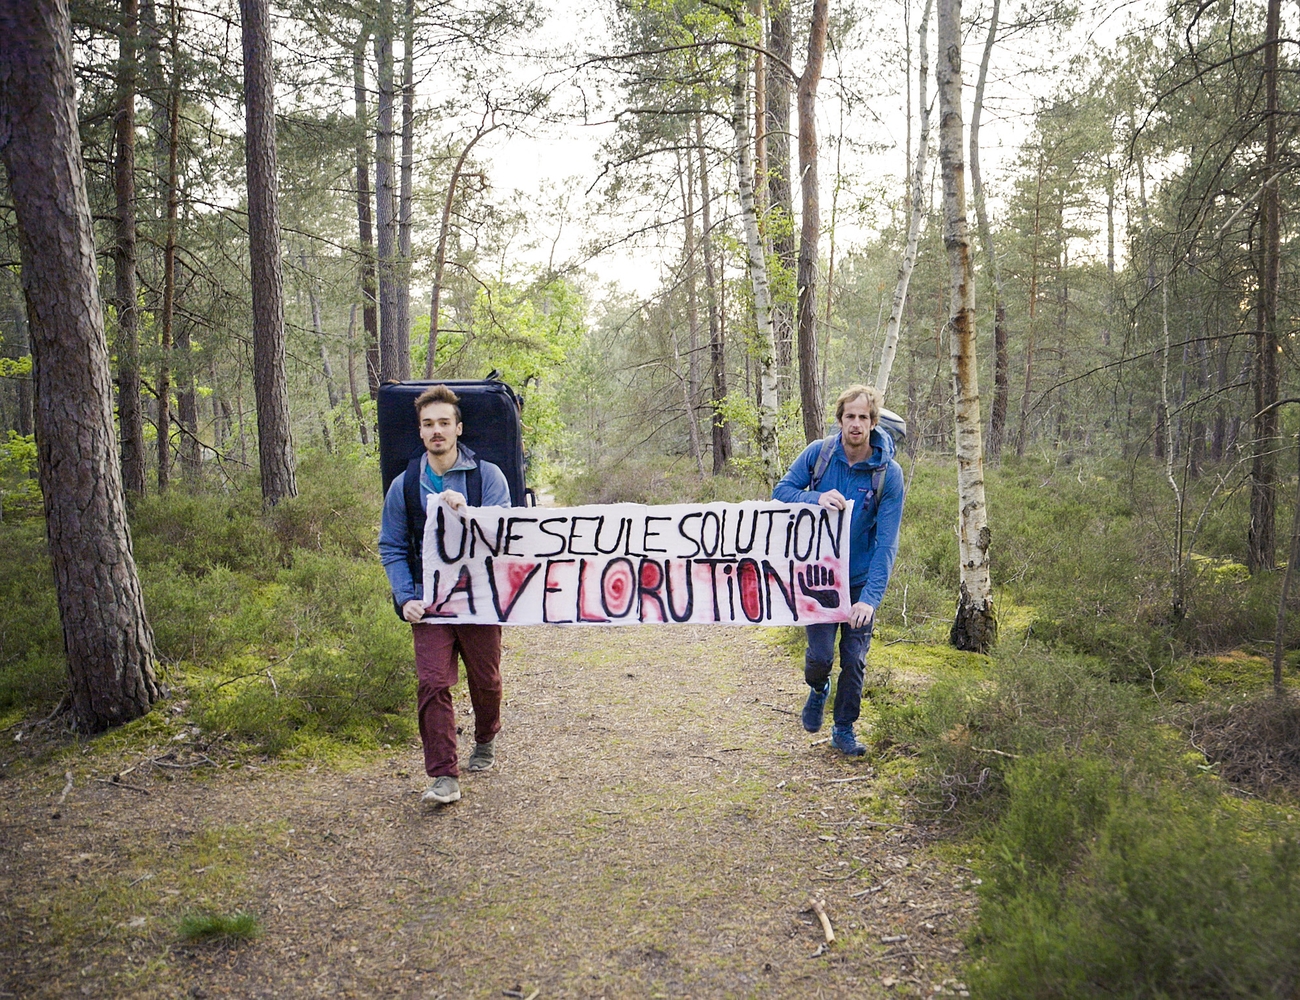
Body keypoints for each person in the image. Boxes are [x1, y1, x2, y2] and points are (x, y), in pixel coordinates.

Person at [379, 384, 512, 805]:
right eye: (428, 424)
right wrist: (405, 598)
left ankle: (486, 737)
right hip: (430, 602)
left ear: (458, 428)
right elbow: (391, 546)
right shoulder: (404, 485)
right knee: (433, 683)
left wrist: (466, 513)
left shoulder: (488, 476)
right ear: (420, 432)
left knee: (486, 681)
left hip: (479, 600)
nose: (436, 431)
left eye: (443, 423)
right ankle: (443, 776)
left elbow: (504, 536)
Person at [772, 384, 904, 756]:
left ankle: (843, 729)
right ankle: (818, 688)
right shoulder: (820, 454)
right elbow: (781, 492)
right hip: (818, 577)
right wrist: (814, 498)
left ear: (873, 422)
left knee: (854, 660)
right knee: (820, 659)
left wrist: (870, 600)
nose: (856, 424)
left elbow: (887, 543)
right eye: (850, 416)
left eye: (863, 417)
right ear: (840, 420)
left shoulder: (888, 474)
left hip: (860, 581)